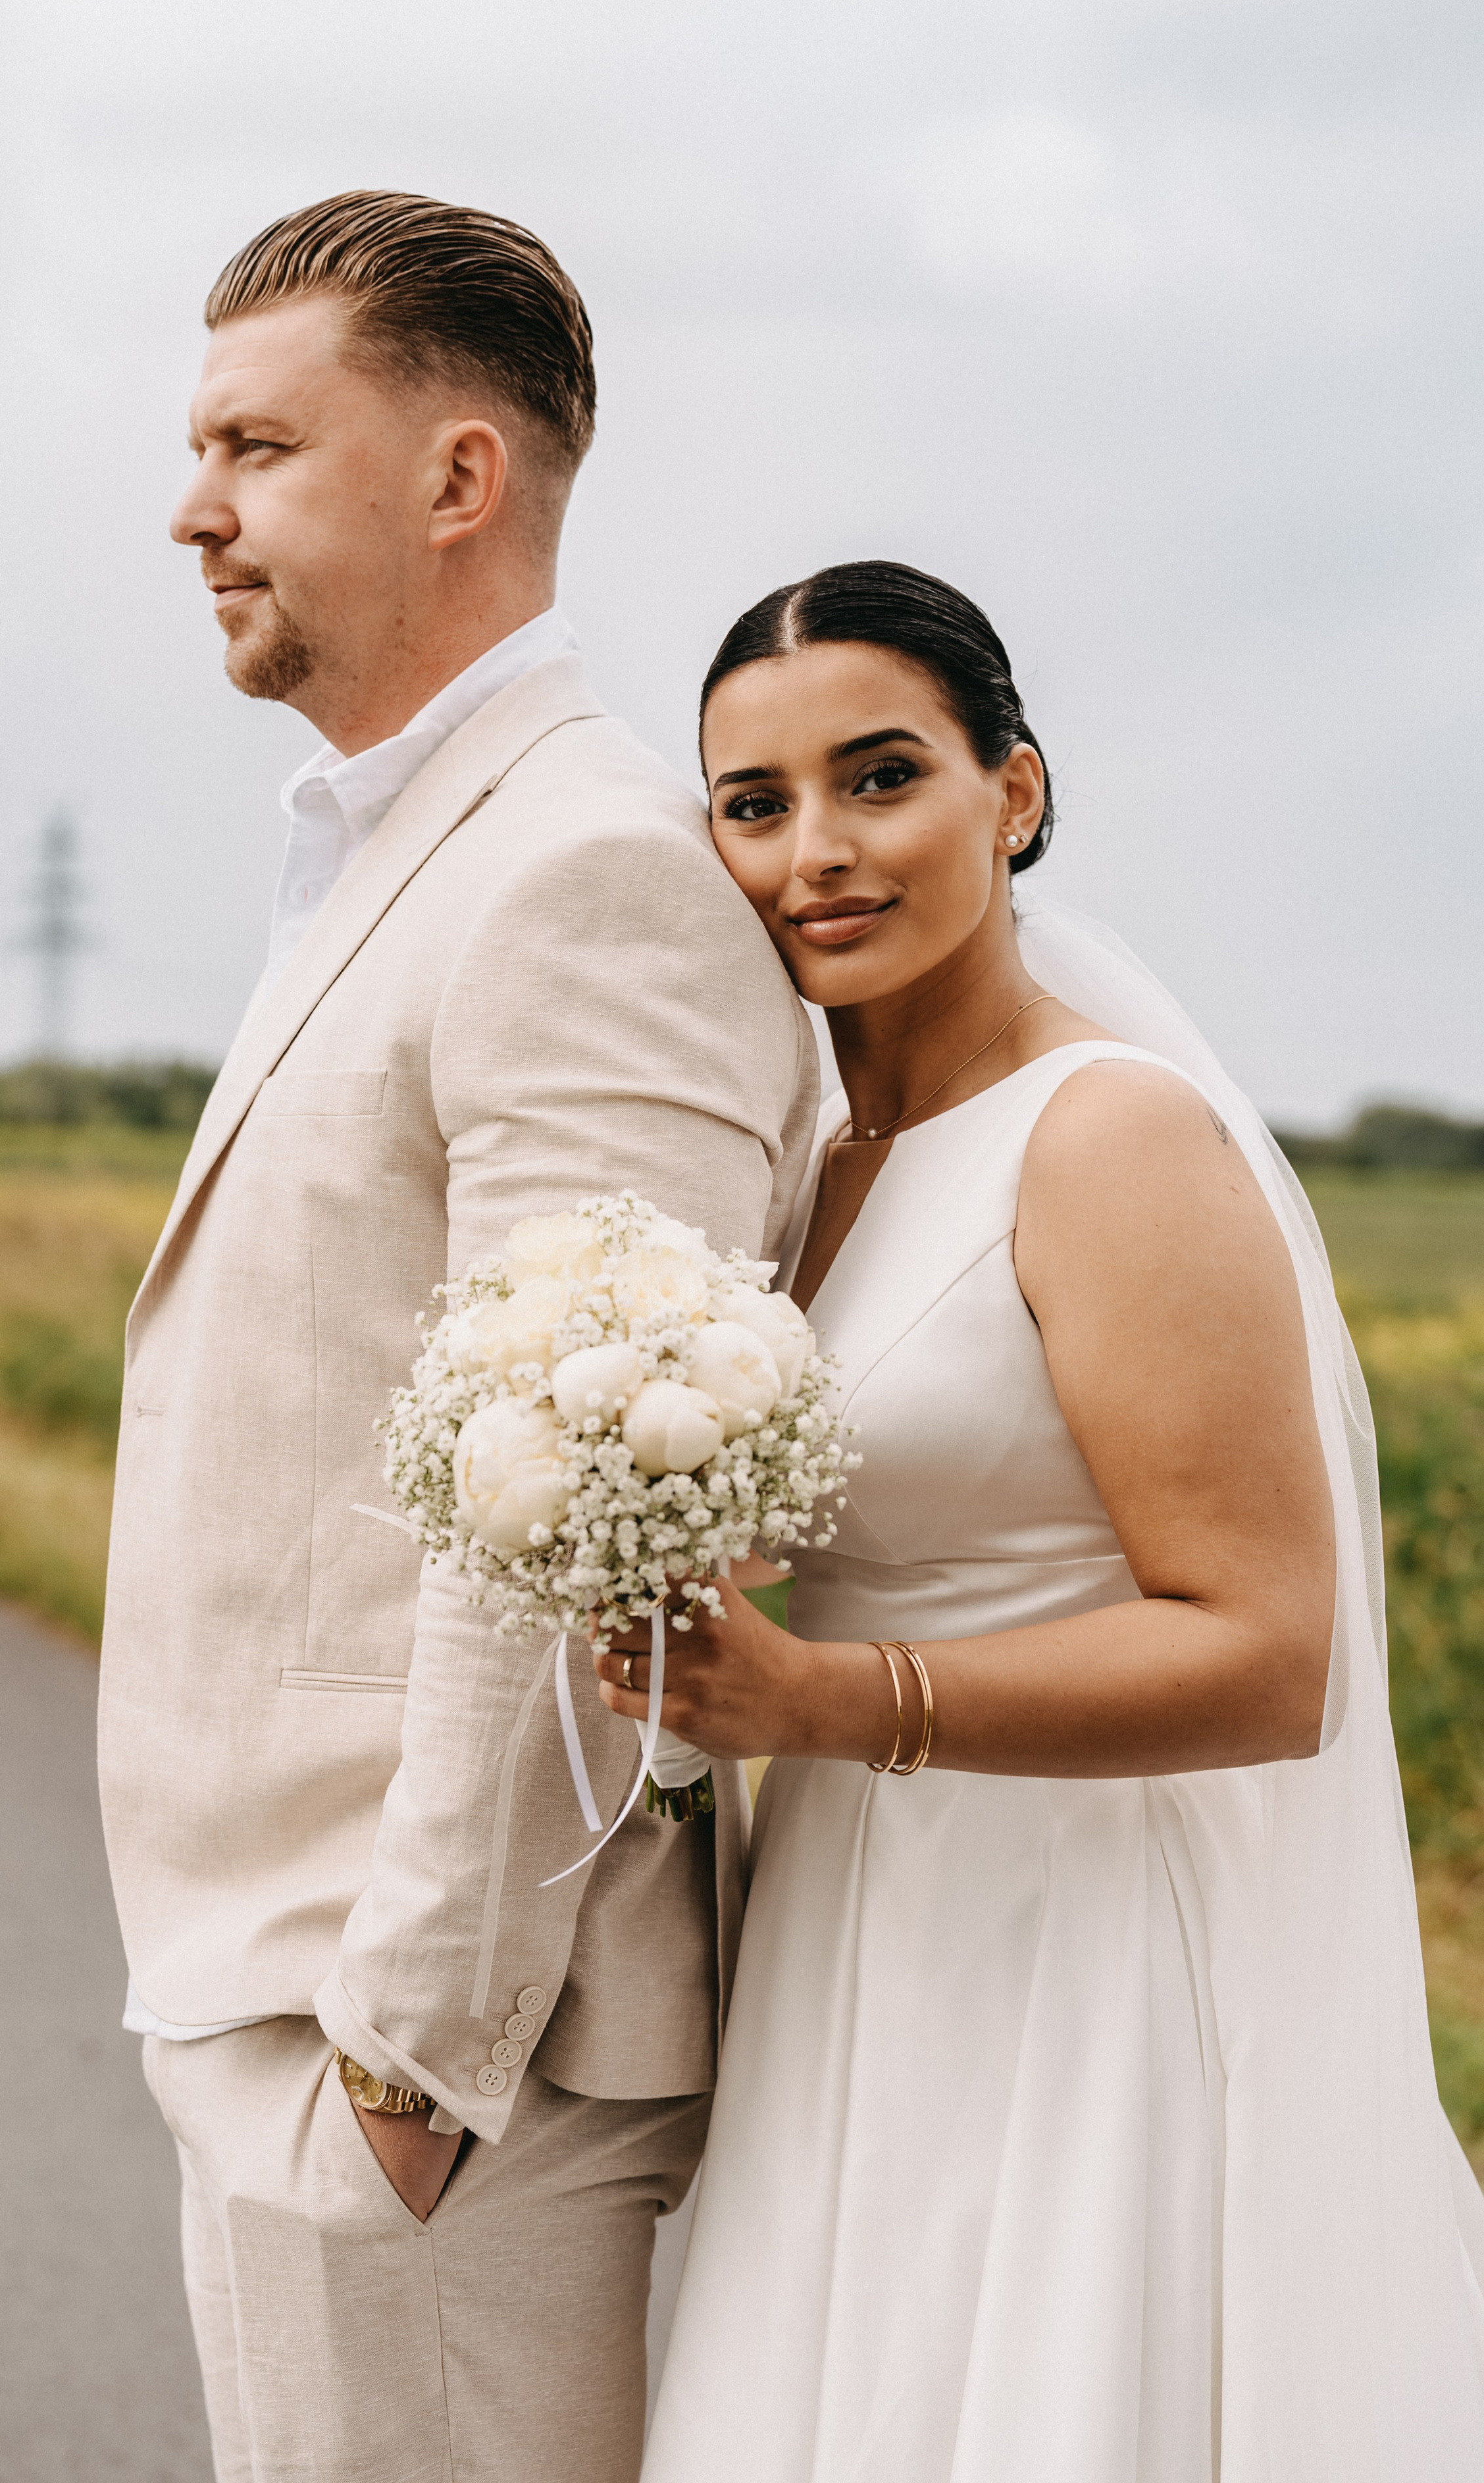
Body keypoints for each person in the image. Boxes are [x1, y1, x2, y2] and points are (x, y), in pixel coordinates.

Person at [601, 560, 1484, 2479]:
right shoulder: (804, 1164)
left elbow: (1269, 1656)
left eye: (880, 777)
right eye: (754, 805)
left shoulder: (1111, 1138)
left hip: (1069, 1956)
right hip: (845, 1924)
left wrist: (829, 1703)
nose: (813, 851)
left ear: (1012, 793)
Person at [96, 191, 818, 2483]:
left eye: (254, 444)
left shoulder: (577, 872)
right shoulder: (406, 846)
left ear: (456, 479)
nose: (190, 507)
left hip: (422, 2050)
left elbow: (588, 1501)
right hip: (292, 1998)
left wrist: (413, 2058)